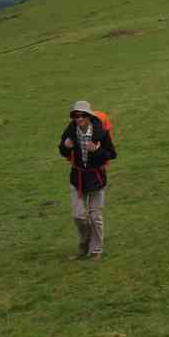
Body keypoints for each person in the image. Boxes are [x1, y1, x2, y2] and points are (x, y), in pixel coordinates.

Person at [58, 100, 116, 261]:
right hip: (77, 179)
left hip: (96, 178)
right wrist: (66, 147)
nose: (79, 118)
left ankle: (96, 249)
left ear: (89, 116)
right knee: (78, 216)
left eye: (82, 115)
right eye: (76, 116)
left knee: (95, 216)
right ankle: (85, 245)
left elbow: (111, 154)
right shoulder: (70, 131)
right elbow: (62, 151)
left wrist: (97, 150)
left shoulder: (101, 133)